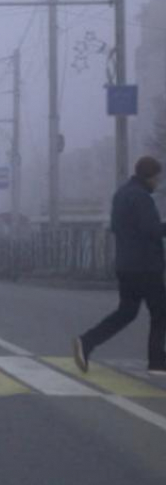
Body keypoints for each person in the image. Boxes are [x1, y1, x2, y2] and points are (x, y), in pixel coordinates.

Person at [74, 156, 166, 375]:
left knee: (126, 312)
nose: (158, 182)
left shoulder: (122, 194)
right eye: (157, 177)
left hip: (126, 264)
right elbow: (151, 230)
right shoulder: (141, 197)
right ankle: (156, 361)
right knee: (161, 311)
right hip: (145, 265)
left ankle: (86, 342)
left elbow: (118, 227)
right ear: (150, 176)